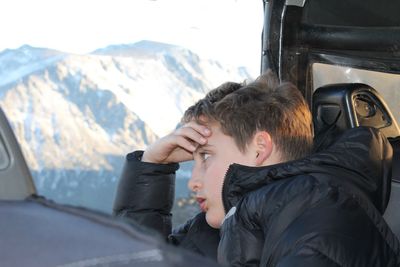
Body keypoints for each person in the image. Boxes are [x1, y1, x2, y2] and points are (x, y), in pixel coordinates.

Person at [114, 71, 400, 266]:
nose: (193, 182)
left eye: (207, 157)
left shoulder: (320, 221)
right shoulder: (222, 224)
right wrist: (153, 167)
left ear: (260, 149)